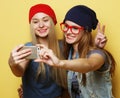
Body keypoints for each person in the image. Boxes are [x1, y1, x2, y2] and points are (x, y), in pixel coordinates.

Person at [35, 5, 116, 98]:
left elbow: (89, 64)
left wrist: (60, 63)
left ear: (85, 31)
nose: (68, 32)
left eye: (75, 28)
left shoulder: (98, 54)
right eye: (66, 26)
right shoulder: (69, 54)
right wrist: (32, 90)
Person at [8, 4, 69, 98]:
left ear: (52, 22)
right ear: (31, 25)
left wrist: (97, 46)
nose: (41, 25)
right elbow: (19, 72)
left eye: (45, 20)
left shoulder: (62, 46)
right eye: (35, 22)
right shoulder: (31, 48)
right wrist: (13, 64)